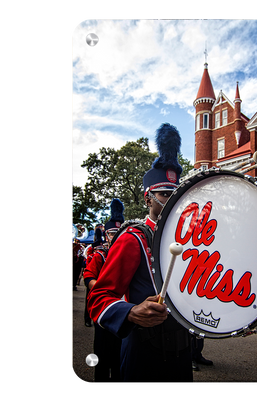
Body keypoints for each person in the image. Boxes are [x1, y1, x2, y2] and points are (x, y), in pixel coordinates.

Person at [87, 123, 192, 385]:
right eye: (164, 194)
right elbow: (98, 299)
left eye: (176, 194)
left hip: (182, 353)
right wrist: (132, 312)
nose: (171, 200)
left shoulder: (189, 241)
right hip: (144, 353)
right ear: (148, 199)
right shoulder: (133, 238)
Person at [83, 199, 125, 386]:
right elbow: (88, 275)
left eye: (118, 233)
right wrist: (102, 291)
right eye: (111, 234)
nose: (114, 237)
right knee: (101, 352)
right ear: (106, 235)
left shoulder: (126, 252)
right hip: (103, 308)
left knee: (119, 353)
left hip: (122, 309)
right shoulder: (100, 255)